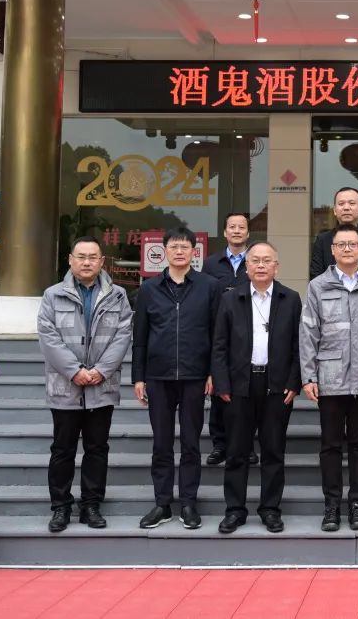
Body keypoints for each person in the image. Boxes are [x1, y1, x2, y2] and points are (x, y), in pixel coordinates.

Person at [37, 236, 133, 533]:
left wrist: (101, 371)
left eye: (93, 257)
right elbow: (48, 337)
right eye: (81, 256)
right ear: (70, 259)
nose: (87, 262)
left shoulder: (118, 295)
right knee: (62, 449)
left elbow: (123, 335)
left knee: (97, 448)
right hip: (65, 386)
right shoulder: (53, 295)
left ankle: (91, 505)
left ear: (102, 261)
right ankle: (60, 507)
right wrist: (74, 371)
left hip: (101, 387)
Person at [300, 223, 358, 532]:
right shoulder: (318, 286)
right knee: (330, 446)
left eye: (353, 244)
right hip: (330, 378)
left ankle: (356, 503)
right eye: (342, 245)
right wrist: (308, 375)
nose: (347, 249)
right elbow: (308, 333)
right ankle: (331, 505)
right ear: (333, 250)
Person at [132, 227, 221, 530]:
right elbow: (140, 337)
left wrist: (213, 372)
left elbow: (217, 334)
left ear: (194, 252)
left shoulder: (209, 286)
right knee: (161, 443)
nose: (180, 251)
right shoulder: (149, 288)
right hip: (158, 376)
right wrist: (139, 377)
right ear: (165, 251)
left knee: (191, 443)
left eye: (185, 247)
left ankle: (188, 503)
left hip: (196, 376)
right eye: (174, 246)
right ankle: (162, 503)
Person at [211, 242, 302, 534]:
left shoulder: (291, 299)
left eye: (267, 260)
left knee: (273, 451)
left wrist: (294, 382)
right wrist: (221, 383)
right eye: (255, 261)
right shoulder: (230, 298)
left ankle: (270, 509)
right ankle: (234, 510)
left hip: (277, 386)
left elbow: (299, 345)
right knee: (236, 451)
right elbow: (219, 345)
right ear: (246, 267)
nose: (261, 265)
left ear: (276, 266)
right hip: (239, 384)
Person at [202, 212, 258, 468]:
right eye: (232, 227)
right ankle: (220, 445)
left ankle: (246, 446)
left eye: (241, 227)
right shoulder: (211, 264)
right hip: (218, 333)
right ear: (225, 232)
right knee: (219, 392)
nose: (236, 231)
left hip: (250, 335)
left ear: (248, 232)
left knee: (247, 395)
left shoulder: (256, 260)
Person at [310, 187, 358, 280]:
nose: (346, 208)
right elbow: (316, 277)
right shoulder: (323, 240)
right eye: (341, 204)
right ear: (335, 210)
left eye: (352, 203)